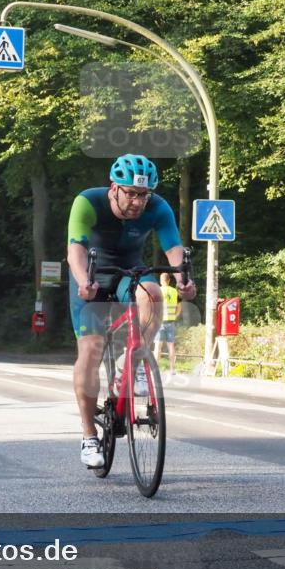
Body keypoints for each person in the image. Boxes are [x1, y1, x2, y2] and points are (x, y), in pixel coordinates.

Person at [66, 154, 196, 468]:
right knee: (91, 349)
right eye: (131, 193)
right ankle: (88, 436)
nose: (138, 202)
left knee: (152, 293)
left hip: (130, 269)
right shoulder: (88, 202)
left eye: (143, 195)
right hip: (92, 274)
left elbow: (173, 248)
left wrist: (183, 280)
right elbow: (76, 251)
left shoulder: (157, 207)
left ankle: (134, 361)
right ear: (114, 188)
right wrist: (84, 282)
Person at [153, 273, 181, 375]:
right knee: (171, 346)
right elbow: (179, 307)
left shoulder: (158, 291)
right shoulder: (174, 291)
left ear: (161, 280)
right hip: (171, 321)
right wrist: (175, 316)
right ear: (169, 280)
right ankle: (172, 370)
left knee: (158, 346)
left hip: (160, 322)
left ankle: (155, 370)